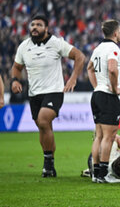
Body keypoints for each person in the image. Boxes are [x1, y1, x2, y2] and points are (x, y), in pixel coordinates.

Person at [11, 14, 85, 177]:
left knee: (44, 121)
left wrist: (73, 78)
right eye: (32, 25)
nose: (34, 28)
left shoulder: (56, 43)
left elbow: (80, 56)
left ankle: (47, 163)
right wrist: (15, 80)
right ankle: (49, 164)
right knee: (43, 127)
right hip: (34, 94)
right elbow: (16, 67)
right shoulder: (24, 46)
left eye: (39, 25)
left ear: (46, 28)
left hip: (54, 91)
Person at [87, 19, 120, 183]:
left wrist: (97, 86)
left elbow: (89, 68)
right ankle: (103, 174)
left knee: (99, 136)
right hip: (108, 96)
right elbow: (112, 68)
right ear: (116, 33)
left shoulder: (98, 49)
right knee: (109, 136)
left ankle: (96, 173)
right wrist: (114, 88)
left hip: (97, 95)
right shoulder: (113, 48)